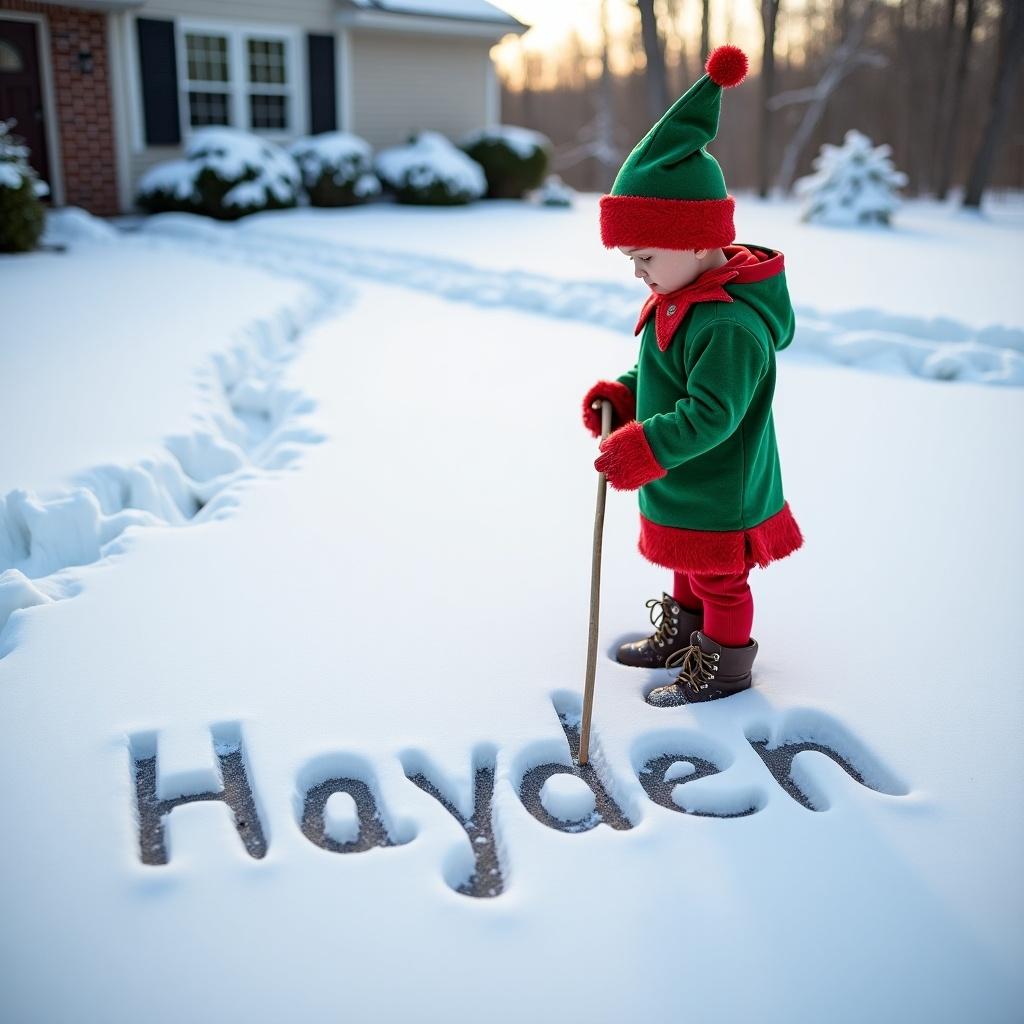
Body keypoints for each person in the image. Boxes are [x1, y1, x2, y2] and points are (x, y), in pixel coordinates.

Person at [581, 44, 804, 708]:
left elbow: (713, 413)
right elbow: (662, 373)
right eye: (631, 258)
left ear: (698, 238)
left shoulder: (728, 326)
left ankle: (725, 667)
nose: (638, 272)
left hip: (721, 487)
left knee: (720, 580)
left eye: (645, 254)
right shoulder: (675, 302)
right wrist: (623, 394)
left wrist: (645, 446)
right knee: (686, 563)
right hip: (686, 481)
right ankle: (683, 637)